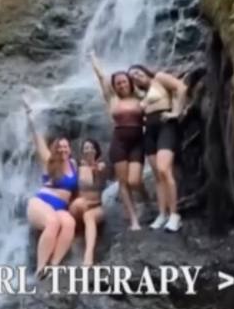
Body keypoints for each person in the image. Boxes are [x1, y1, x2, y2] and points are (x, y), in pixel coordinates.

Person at [128, 64, 188, 232]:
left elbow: (181, 87)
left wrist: (177, 112)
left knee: (164, 169)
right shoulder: (139, 93)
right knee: (157, 175)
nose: (136, 76)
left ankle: (175, 215)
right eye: (132, 77)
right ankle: (162, 214)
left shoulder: (159, 78)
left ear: (144, 70)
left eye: (137, 72)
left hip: (166, 126)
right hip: (149, 130)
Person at [89, 52, 144, 230]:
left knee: (134, 180)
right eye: (118, 83)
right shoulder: (112, 99)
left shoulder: (140, 97)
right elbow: (101, 77)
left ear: (130, 82)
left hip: (137, 141)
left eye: (124, 81)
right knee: (123, 182)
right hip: (119, 142)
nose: (122, 85)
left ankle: (146, 199)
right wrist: (93, 59)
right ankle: (133, 219)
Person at [23, 97, 77, 276]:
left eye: (65, 147)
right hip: (41, 203)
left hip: (61, 207)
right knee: (52, 223)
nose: (62, 150)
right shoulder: (50, 162)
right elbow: (37, 140)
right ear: (55, 149)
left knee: (69, 223)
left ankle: (54, 265)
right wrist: (30, 117)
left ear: (70, 149)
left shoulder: (74, 165)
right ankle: (41, 268)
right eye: (59, 147)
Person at [69, 139, 107, 267]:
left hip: (96, 207)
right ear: (82, 152)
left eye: (91, 147)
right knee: (79, 203)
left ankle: (88, 256)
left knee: (89, 215)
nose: (89, 150)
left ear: (96, 151)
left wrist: (97, 169)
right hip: (79, 207)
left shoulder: (101, 167)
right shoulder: (77, 168)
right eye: (86, 148)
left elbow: (101, 173)